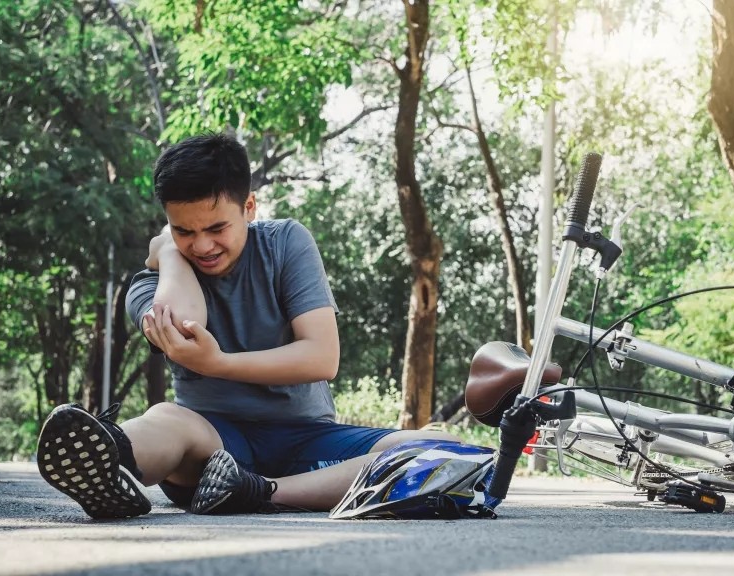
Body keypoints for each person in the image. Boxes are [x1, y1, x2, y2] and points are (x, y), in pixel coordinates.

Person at [36, 133, 457, 519]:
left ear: (249, 208)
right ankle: (114, 465)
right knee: (167, 416)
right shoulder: (150, 285)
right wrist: (168, 252)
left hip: (307, 441)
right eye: (184, 231)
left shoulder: (286, 243)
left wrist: (217, 363)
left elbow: (322, 357)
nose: (202, 245)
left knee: (435, 451)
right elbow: (185, 327)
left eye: (217, 227)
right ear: (166, 222)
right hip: (212, 449)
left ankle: (261, 491)